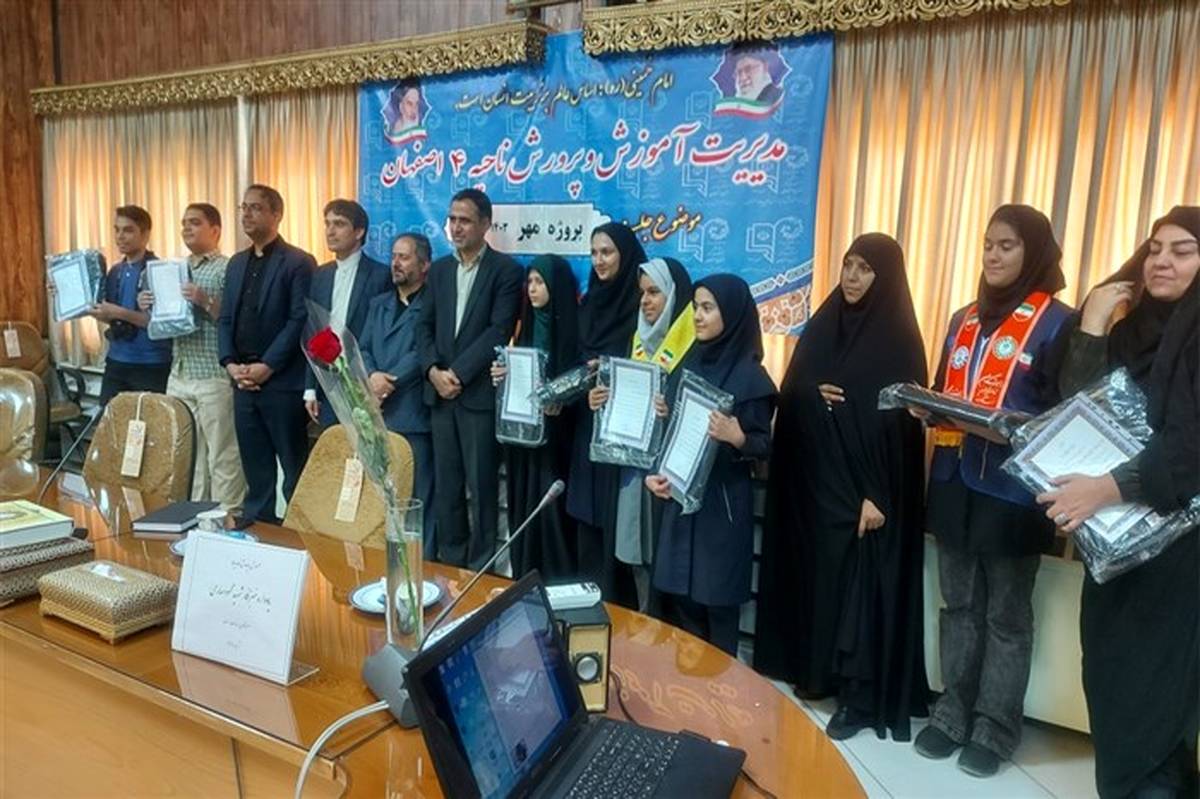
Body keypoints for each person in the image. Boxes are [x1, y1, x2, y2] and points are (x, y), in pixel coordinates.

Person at [1042, 206, 1199, 798]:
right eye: (1154, 248)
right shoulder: (1132, 333)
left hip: (1179, 553)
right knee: (1110, 679)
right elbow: (1078, 407)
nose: (1161, 260)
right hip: (1115, 540)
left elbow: (1192, 444)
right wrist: (1093, 324)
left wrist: (1104, 488)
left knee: (1155, 702)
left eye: (1182, 250)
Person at [913, 205, 1073, 777]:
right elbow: (943, 388)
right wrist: (926, 405)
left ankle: (995, 727)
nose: (993, 256)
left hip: (1014, 493)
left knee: (1006, 616)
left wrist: (1008, 427)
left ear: (1034, 252)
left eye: (1007, 245)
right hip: (954, 481)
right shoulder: (964, 318)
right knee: (958, 606)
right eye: (987, 245)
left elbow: (1065, 414)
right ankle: (952, 713)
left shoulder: (1058, 323)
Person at [754, 234, 930, 741]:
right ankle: (812, 673)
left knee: (856, 589)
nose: (852, 277)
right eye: (848, 265)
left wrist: (879, 493)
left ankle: (857, 694)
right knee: (818, 579)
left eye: (865, 269)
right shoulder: (823, 325)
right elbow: (792, 392)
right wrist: (812, 394)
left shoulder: (899, 339)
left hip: (864, 494)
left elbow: (900, 426)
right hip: (815, 485)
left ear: (886, 277)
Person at [645, 274, 776, 655]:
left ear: (731, 314)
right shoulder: (688, 363)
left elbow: (763, 447)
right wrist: (656, 472)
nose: (698, 317)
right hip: (679, 506)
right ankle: (682, 690)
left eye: (708, 308)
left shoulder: (751, 377)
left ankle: (720, 692)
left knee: (717, 611)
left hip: (721, 510)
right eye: (695, 308)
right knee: (682, 610)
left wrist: (737, 437)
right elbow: (672, 439)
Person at [416, 188, 523, 570]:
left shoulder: (506, 271)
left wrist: (457, 374)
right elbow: (423, 326)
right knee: (448, 488)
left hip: (476, 396)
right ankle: (451, 564)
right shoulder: (440, 271)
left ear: (485, 224)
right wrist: (433, 371)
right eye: (452, 219)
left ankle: (480, 569)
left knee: (482, 488)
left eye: (465, 220)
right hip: (440, 395)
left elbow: (499, 329)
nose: (456, 227)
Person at [137, 203, 245, 513]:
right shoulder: (171, 269)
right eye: (184, 222)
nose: (187, 228)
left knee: (223, 453)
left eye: (195, 222)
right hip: (180, 371)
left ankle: (227, 517)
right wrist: (149, 304)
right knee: (189, 455)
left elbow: (235, 321)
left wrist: (204, 300)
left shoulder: (227, 268)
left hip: (213, 375)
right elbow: (161, 324)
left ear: (215, 230)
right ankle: (196, 516)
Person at [218, 184, 316, 524]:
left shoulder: (299, 262)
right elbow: (225, 318)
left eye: (256, 208)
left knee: (293, 468)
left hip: (282, 383)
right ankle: (258, 530)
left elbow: (299, 320)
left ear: (277, 214)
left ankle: (301, 534)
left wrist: (268, 365)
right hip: (242, 381)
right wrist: (230, 364)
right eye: (243, 207)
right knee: (255, 469)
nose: (246, 214)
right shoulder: (236, 263)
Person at [566, 222, 647, 607]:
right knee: (587, 523)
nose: (599, 261)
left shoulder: (641, 306)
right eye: (594, 252)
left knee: (619, 529)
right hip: (588, 425)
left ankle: (622, 613)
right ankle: (588, 610)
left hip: (625, 437)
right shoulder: (588, 304)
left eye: (607, 252)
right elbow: (575, 362)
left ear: (625, 255)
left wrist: (615, 378)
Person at [492, 255, 581, 581]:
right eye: (529, 282)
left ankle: (556, 581)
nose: (532, 289)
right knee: (525, 508)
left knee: (553, 514)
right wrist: (501, 376)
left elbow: (581, 382)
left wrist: (563, 400)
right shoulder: (524, 329)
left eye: (539, 282)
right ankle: (524, 576)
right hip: (523, 442)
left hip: (558, 442)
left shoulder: (575, 330)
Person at [615, 257, 696, 611]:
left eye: (654, 293)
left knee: (667, 561)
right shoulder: (636, 340)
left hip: (672, 476)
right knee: (636, 552)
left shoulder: (695, 345)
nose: (645, 301)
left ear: (674, 296)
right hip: (636, 469)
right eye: (642, 293)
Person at [361, 233, 436, 556]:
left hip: (413, 413)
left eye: (404, 257)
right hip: (378, 414)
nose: (396, 263)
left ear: (424, 264)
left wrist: (389, 381)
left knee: (418, 499)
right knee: (382, 497)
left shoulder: (433, 302)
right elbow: (363, 347)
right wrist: (371, 376)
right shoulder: (378, 303)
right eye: (393, 256)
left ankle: (423, 563)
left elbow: (424, 351)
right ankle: (384, 561)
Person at [304, 199, 392, 427]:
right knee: (332, 445)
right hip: (328, 381)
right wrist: (310, 388)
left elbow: (384, 334)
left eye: (339, 224)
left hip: (365, 381)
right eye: (327, 223)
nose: (330, 231)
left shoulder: (380, 275)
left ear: (359, 232)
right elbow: (313, 331)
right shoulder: (320, 275)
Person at [92, 206, 172, 404]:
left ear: (145, 235)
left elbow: (158, 323)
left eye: (128, 230)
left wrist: (118, 312)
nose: (120, 236)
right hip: (116, 359)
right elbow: (108, 315)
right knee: (110, 419)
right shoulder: (115, 271)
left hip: (151, 363)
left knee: (148, 422)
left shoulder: (160, 271)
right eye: (117, 230)